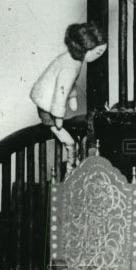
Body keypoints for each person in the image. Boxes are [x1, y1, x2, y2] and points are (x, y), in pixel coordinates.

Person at [30, 23, 107, 167]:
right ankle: (71, 167)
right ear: (85, 49)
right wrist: (58, 116)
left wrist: (73, 96)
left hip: (48, 101)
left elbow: (70, 83)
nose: (100, 56)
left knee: (70, 134)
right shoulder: (70, 65)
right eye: (98, 53)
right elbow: (61, 90)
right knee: (69, 141)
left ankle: (72, 164)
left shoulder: (72, 59)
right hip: (47, 105)